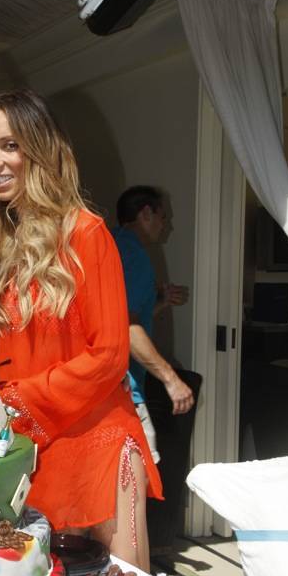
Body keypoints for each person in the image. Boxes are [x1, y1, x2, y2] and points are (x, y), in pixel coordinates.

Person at [0, 89, 162, 571]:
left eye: (9, 145)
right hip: (28, 449)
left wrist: (15, 403)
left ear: (41, 149)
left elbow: (110, 354)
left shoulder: (86, 232)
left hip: (96, 445)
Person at [111, 186, 194, 462]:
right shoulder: (135, 256)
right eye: (163, 216)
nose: (166, 225)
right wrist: (171, 379)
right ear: (146, 213)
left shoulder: (112, 243)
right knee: (141, 478)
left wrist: (159, 302)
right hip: (125, 391)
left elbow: (114, 317)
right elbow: (126, 326)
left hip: (105, 389)